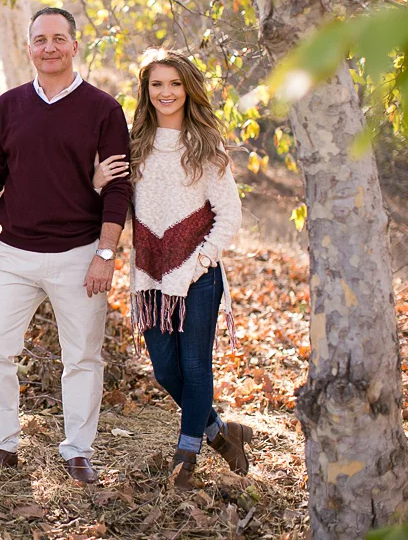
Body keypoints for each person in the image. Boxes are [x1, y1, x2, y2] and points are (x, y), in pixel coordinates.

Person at [0, 7, 133, 484]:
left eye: (59, 39)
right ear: (29, 48)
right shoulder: (8, 106)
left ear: (75, 46)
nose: (49, 47)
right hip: (13, 252)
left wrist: (105, 252)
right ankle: (1, 447)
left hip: (79, 253)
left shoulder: (103, 109)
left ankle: (78, 451)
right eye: (40, 40)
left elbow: (118, 188)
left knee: (81, 356)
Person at [95, 47, 251, 490]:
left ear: (188, 89)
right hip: (149, 276)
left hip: (199, 276)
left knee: (197, 367)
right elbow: (114, 205)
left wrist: (195, 265)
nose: (166, 92)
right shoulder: (134, 144)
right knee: (165, 370)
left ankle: (186, 458)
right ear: (145, 90)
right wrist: (97, 182)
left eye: (175, 84)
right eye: (156, 84)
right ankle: (222, 432)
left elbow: (230, 217)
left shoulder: (205, 145)